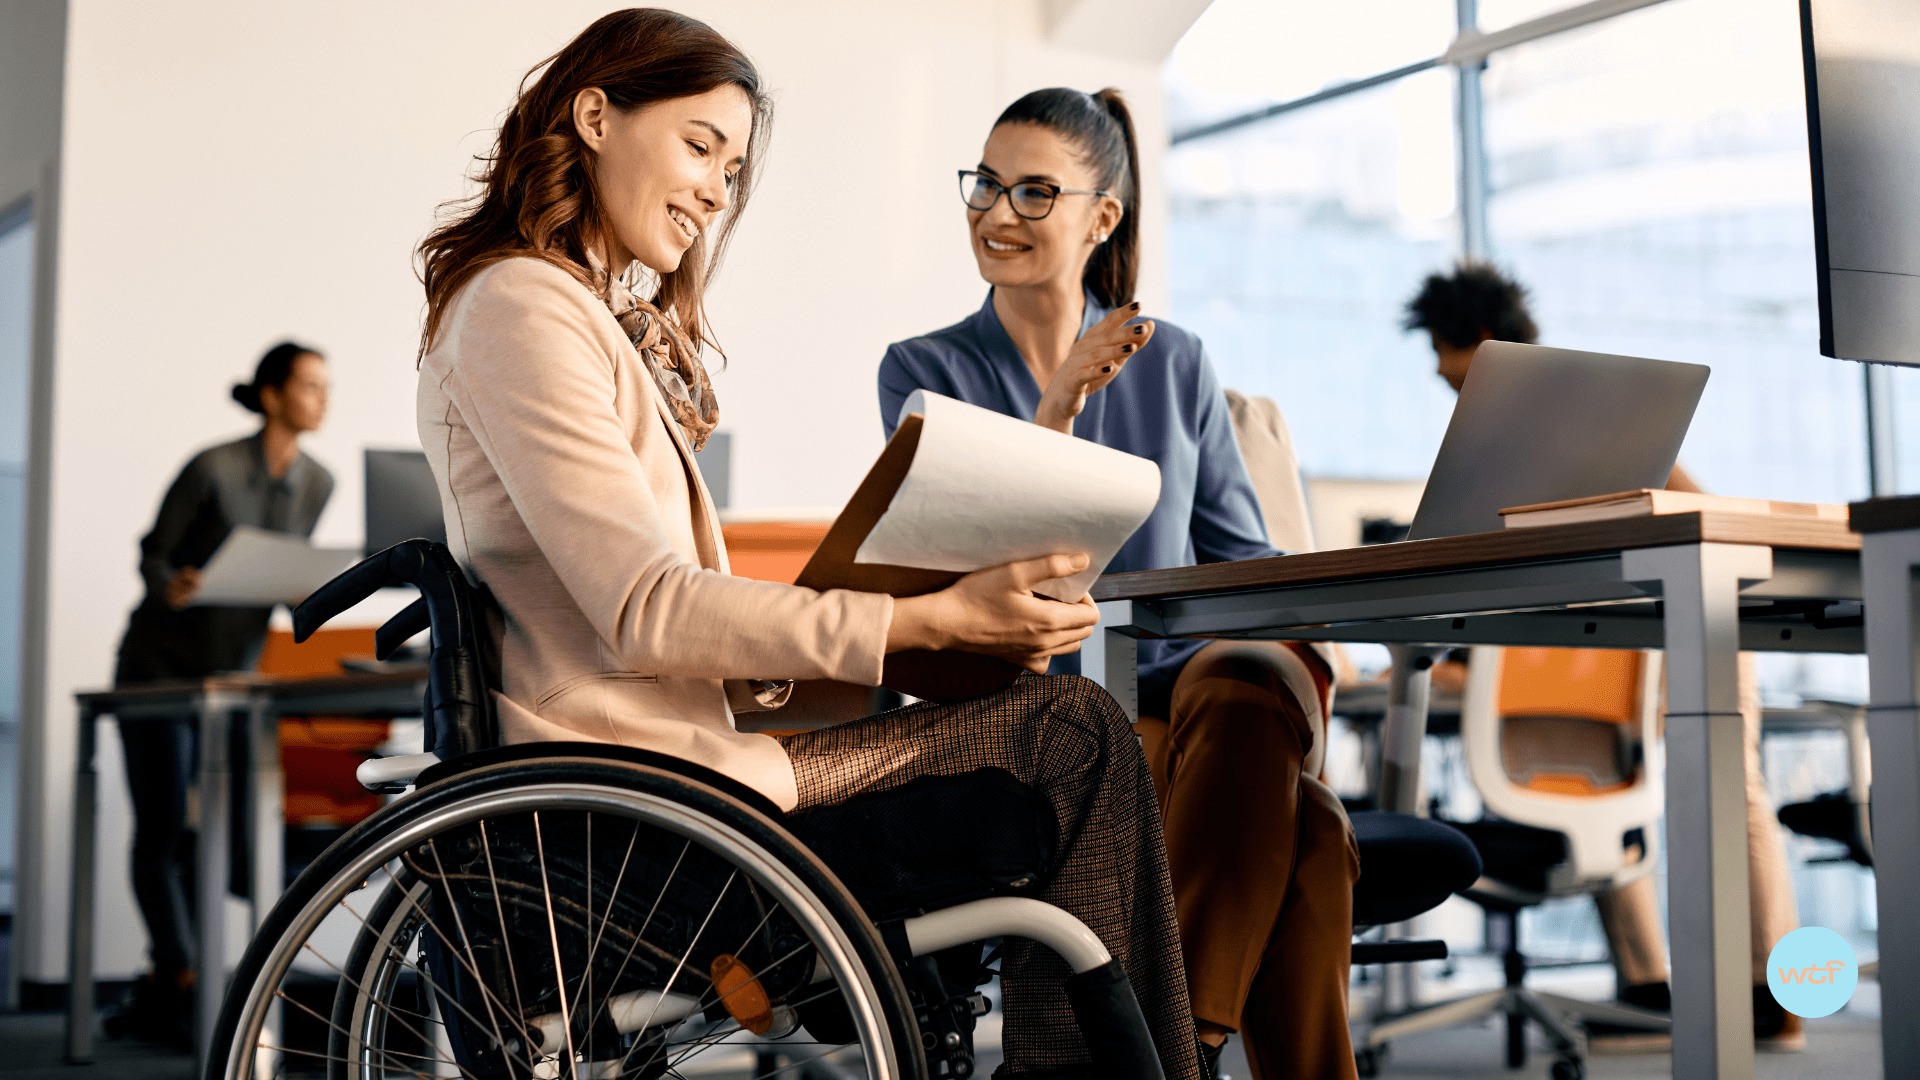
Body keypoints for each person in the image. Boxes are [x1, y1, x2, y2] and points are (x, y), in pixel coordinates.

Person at [410, 12, 1201, 1079]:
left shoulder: (573, 313)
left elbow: (645, 621)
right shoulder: (522, 307)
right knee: (1072, 732)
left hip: (676, 773)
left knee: (1061, 725)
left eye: (732, 170)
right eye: (700, 147)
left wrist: (928, 633)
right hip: (639, 808)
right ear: (595, 117)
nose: (715, 193)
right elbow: (646, 609)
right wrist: (922, 621)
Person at [878, 87, 1361, 1080]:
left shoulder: (1174, 360)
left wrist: (1316, 629)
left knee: (1249, 680)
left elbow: (1242, 553)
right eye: (986, 185)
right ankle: (1186, 1052)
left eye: (1033, 191)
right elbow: (976, 588)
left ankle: (1177, 1055)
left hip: (1196, 692)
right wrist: (1055, 412)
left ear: (1102, 217)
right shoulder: (924, 373)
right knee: (1311, 831)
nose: (997, 212)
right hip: (1048, 707)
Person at [1404, 261, 1804, 1051]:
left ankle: (1774, 991)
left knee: (1732, 786)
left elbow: (1700, 511)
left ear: (1478, 343)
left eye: (1442, 353)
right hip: (1620, 639)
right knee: (1599, 781)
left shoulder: (1574, 415)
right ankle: (1648, 981)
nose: (1438, 373)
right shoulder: (1514, 439)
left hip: (1697, 611)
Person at [107, 342, 334, 1048]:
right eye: (309, 385)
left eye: (326, 387)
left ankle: (199, 973)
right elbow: (154, 552)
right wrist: (169, 582)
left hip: (234, 674)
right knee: (163, 824)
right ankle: (178, 971)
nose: (322, 398)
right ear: (270, 395)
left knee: (228, 832)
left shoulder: (318, 481)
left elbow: (282, 568)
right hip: (159, 668)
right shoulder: (211, 468)